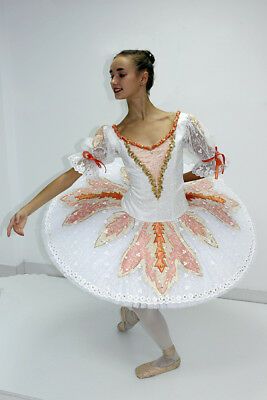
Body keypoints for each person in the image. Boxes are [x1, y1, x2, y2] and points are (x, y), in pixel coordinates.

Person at [6, 49, 256, 379]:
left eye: (120, 73)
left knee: (142, 292)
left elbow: (211, 164)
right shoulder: (111, 134)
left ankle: (169, 356)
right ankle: (142, 322)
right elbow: (73, 174)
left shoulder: (182, 123)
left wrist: (174, 183)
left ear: (143, 77)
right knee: (131, 285)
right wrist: (26, 209)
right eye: (111, 74)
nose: (113, 81)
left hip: (176, 218)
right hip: (133, 218)